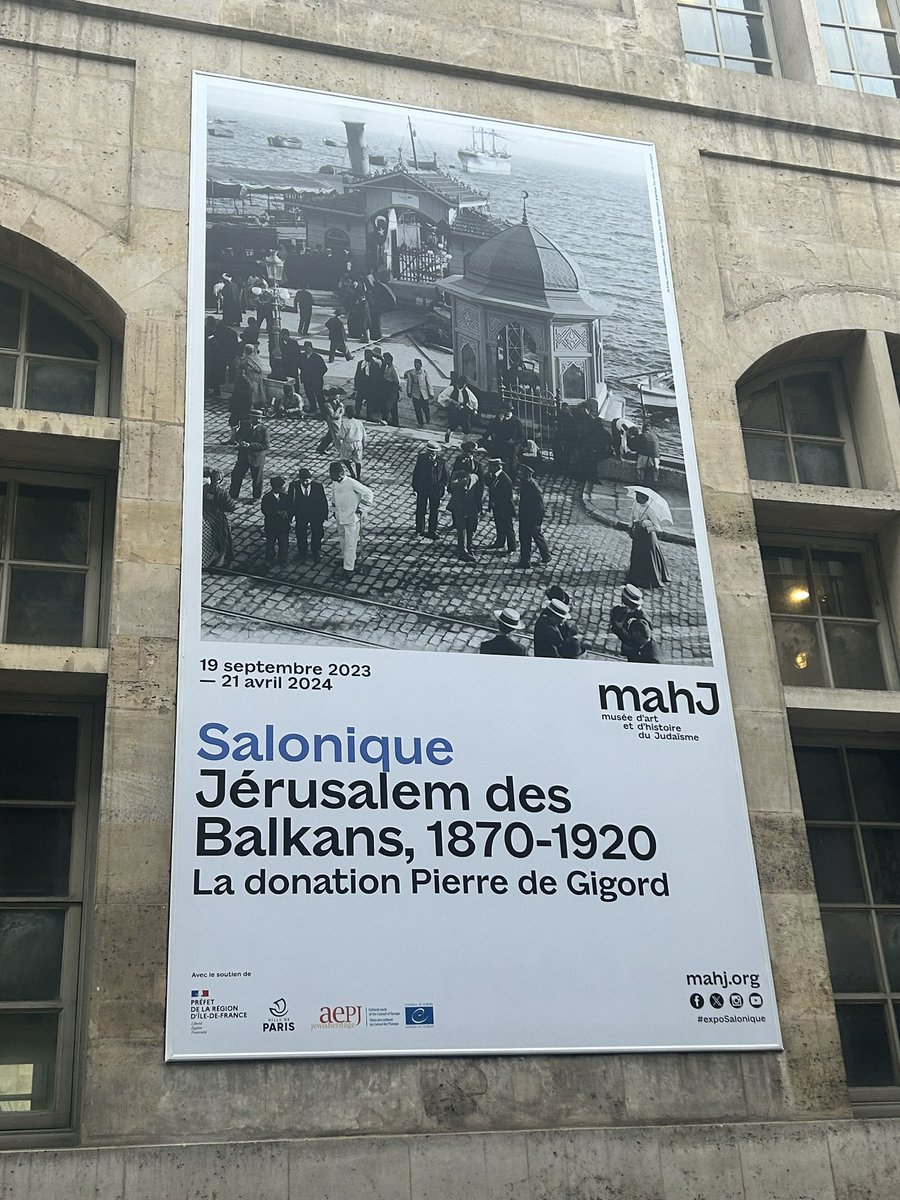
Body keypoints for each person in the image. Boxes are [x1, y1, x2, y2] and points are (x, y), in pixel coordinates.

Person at [329, 461, 373, 578]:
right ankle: (346, 560)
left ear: (341, 473)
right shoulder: (334, 482)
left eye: (333, 475)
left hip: (351, 517)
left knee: (350, 543)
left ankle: (349, 568)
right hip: (339, 516)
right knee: (342, 539)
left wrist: (362, 507)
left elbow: (369, 493)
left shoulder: (352, 483)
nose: (331, 477)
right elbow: (334, 496)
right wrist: (334, 510)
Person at [628, 488, 670, 589]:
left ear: (644, 498)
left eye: (638, 497)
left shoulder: (650, 510)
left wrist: (644, 525)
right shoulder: (635, 503)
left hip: (647, 538)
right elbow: (631, 516)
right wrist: (630, 527)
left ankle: (646, 577)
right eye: (636, 496)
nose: (637, 498)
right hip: (637, 535)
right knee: (636, 555)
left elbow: (657, 528)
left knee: (646, 558)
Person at [610, 583, 661, 662]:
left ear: (629, 601)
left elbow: (645, 637)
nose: (622, 599)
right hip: (629, 648)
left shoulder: (644, 619)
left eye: (623, 597)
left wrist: (619, 629)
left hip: (635, 650)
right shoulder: (627, 610)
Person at [448, 454, 484, 563]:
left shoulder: (470, 479)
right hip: (464, 506)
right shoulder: (467, 477)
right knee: (463, 528)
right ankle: (464, 550)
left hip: (467, 506)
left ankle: (466, 548)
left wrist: (479, 506)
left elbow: (478, 492)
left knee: (466, 528)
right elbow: (453, 486)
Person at [289, 467, 328, 562]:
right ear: (300, 480)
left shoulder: (318, 486)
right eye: (303, 481)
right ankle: (302, 551)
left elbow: (323, 501)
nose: (305, 483)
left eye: (307, 481)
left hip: (315, 515)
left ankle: (315, 551)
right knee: (300, 533)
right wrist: (290, 516)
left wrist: (324, 515)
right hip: (301, 514)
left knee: (317, 533)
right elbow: (290, 501)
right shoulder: (294, 486)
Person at [229, 409, 269, 501]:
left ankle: (256, 496)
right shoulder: (245, 425)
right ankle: (233, 494)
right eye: (256, 418)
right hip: (243, 456)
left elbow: (266, 445)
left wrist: (250, 445)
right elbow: (238, 436)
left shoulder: (264, 430)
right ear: (251, 418)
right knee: (236, 475)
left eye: (260, 419)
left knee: (257, 478)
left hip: (257, 458)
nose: (258, 421)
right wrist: (241, 441)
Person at [516, 464, 551, 568]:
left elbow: (540, 506)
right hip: (526, 516)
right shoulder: (525, 483)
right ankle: (544, 556)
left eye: (520, 473)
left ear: (526, 475)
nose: (518, 474)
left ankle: (526, 561)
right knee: (530, 537)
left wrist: (536, 521)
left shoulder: (534, 487)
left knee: (529, 537)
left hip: (531, 518)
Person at [412, 443, 449, 539]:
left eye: (433, 452)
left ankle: (432, 530)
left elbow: (446, 477)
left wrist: (439, 486)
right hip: (423, 489)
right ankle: (419, 529)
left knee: (434, 511)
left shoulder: (441, 462)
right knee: (421, 510)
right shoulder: (422, 459)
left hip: (435, 491)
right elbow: (416, 473)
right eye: (430, 452)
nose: (431, 454)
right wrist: (415, 487)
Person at [201, 467, 235, 569]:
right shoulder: (222, 492)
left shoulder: (204, 488)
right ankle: (221, 558)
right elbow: (231, 507)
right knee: (224, 536)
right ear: (220, 479)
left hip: (206, 514)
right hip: (217, 517)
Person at [485, 458, 516, 555]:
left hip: (505, 507)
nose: (489, 468)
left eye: (490, 466)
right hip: (497, 506)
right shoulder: (494, 476)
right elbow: (490, 486)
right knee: (499, 524)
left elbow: (506, 496)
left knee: (508, 527)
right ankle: (500, 542)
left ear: (496, 467)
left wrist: (496, 502)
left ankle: (512, 547)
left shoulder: (505, 479)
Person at [483, 403, 525, 472]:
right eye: (502, 411)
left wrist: (513, 441)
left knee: (511, 462)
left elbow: (522, 437)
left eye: (505, 411)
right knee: (494, 459)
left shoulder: (516, 422)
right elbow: (491, 430)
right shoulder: (498, 419)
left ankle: (512, 475)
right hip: (499, 443)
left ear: (509, 411)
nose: (503, 413)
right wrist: (499, 421)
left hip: (511, 445)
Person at [437, 374, 478, 443]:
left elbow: (474, 400)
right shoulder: (451, 389)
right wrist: (452, 401)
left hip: (463, 411)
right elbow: (441, 396)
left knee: (466, 427)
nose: (463, 385)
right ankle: (447, 438)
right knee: (452, 425)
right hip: (453, 410)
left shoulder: (467, 391)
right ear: (458, 382)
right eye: (461, 383)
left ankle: (464, 443)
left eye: (464, 384)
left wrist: (475, 409)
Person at [260, 475, 291, 567]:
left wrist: (287, 513)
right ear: (276, 488)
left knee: (284, 543)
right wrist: (277, 512)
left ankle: (282, 559)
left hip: (283, 526)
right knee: (270, 543)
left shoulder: (285, 497)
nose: (284, 488)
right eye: (282, 487)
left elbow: (290, 507)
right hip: (271, 525)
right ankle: (269, 557)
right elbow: (264, 510)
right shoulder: (267, 498)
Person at [336, 404, 366, 479]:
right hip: (358, 443)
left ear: (346, 413)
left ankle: (352, 473)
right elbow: (364, 435)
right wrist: (363, 443)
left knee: (345, 458)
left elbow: (340, 436)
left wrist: (338, 440)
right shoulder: (359, 423)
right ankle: (358, 476)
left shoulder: (345, 424)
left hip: (348, 443)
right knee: (358, 460)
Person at [299, 341, 327, 416]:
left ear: (312, 348)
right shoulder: (302, 356)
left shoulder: (317, 357)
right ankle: (313, 407)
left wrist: (317, 376)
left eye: (308, 348)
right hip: (306, 380)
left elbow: (324, 369)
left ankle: (323, 410)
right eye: (305, 349)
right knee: (309, 394)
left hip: (316, 381)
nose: (307, 350)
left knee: (319, 395)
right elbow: (299, 365)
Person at [236, 343, 268, 411]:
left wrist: (248, 366)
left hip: (254, 378)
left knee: (254, 391)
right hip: (249, 377)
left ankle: (254, 405)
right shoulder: (248, 358)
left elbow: (259, 369)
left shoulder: (252, 359)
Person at [630, 421, 661, 486]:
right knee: (655, 470)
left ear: (642, 430)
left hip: (644, 456)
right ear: (650, 430)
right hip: (655, 457)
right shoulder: (655, 437)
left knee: (640, 468)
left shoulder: (641, 436)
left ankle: (640, 481)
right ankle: (656, 481)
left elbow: (632, 447)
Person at [405, 358, 433, 428]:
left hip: (424, 395)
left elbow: (429, 383)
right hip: (416, 395)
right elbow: (409, 383)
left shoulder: (424, 372)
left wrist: (431, 393)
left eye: (418, 365)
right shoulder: (411, 373)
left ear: (421, 365)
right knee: (417, 410)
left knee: (425, 409)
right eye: (415, 365)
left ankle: (427, 418)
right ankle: (420, 422)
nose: (416, 366)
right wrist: (409, 392)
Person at [317, 387, 345, 454]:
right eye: (335, 394)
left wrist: (340, 414)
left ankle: (321, 448)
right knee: (336, 436)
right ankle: (342, 451)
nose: (337, 396)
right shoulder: (327, 404)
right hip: (332, 422)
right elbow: (333, 415)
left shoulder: (337, 402)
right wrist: (339, 409)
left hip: (338, 420)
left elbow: (343, 412)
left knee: (330, 435)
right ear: (330, 395)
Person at [353, 349, 379, 420]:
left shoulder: (375, 365)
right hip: (361, 387)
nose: (367, 356)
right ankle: (357, 412)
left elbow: (376, 378)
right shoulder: (360, 363)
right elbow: (357, 375)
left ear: (371, 356)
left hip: (370, 387)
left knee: (370, 402)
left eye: (368, 355)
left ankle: (369, 415)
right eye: (365, 355)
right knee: (358, 400)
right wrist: (356, 385)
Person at [379, 351, 401, 427]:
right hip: (387, 389)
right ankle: (395, 422)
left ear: (388, 360)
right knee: (393, 408)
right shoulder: (387, 367)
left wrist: (394, 389)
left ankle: (384, 420)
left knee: (387, 406)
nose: (384, 360)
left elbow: (397, 381)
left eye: (385, 359)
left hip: (391, 390)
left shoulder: (394, 369)